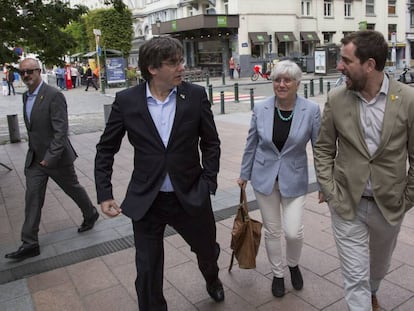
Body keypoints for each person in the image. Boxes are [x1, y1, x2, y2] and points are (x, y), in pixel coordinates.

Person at [94, 36, 223, 310]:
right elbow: (106, 149)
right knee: (148, 270)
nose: (181, 68)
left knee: (207, 251)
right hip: (147, 200)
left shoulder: (195, 95)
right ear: (153, 69)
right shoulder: (127, 101)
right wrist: (104, 193)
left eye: (181, 61)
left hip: (190, 195)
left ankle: (212, 278)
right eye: (173, 63)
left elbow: (210, 143)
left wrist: (208, 182)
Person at [314, 30, 414, 311]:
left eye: (346, 60)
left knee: (378, 267)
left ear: (370, 65)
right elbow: (323, 148)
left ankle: (373, 290)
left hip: (390, 205)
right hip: (347, 204)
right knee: (354, 277)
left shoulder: (407, 99)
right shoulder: (336, 98)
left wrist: (407, 198)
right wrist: (331, 192)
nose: (339, 66)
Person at [237, 60, 321, 298]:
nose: (281, 84)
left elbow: (319, 148)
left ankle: (293, 264)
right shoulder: (261, 108)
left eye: (287, 80)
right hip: (264, 179)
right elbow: (251, 143)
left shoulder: (311, 110)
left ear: (297, 83)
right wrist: (244, 174)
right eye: (277, 79)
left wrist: (325, 183)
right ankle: (277, 274)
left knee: (293, 231)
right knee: (272, 231)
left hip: (294, 179)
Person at [4, 58, 99, 261]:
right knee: (32, 198)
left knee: (72, 188)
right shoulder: (25, 96)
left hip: (56, 158)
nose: (26, 75)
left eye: (30, 71)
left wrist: (50, 158)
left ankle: (90, 213)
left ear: (39, 71)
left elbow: (60, 131)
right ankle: (29, 243)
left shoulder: (53, 95)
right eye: (23, 73)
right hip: (35, 160)